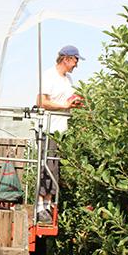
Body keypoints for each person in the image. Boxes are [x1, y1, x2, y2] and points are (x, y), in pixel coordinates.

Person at [35, 45, 84, 223]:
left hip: (60, 131)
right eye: (75, 60)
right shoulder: (49, 75)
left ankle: (47, 206)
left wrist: (76, 102)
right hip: (48, 129)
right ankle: (40, 207)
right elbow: (41, 101)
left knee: (54, 167)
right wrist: (65, 106)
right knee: (46, 167)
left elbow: (67, 100)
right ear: (66, 59)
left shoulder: (67, 79)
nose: (76, 65)